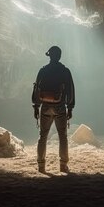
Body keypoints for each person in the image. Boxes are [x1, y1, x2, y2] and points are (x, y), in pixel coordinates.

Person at [32, 45, 75, 173]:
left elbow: (36, 89)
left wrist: (36, 106)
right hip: (60, 107)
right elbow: (70, 90)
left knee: (43, 136)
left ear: (49, 56)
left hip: (45, 106)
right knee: (63, 136)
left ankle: (41, 166)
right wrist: (70, 107)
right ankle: (63, 165)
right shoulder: (65, 71)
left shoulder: (43, 70)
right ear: (59, 56)